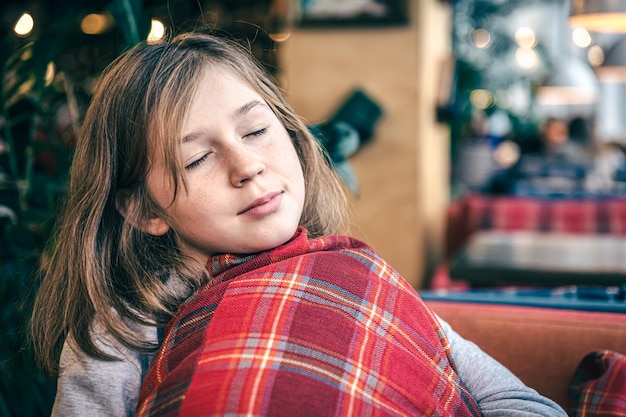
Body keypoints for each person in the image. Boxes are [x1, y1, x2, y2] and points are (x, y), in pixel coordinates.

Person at [30, 31, 567, 417]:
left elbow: (521, 404)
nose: (247, 166)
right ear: (144, 210)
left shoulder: (358, 274)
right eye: (196, 160)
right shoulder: (125, 324)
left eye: (257, 131)